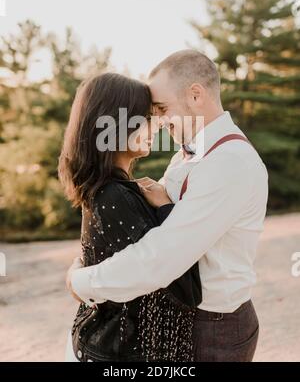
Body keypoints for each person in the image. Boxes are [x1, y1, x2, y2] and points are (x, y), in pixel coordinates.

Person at [67, 50, 269, 362]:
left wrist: (81, 280)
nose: (158, 122)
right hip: (195, 321)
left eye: (162, 109)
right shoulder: (189, 154)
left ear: (196, 95)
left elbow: (159, 259)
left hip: (214, 328)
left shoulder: (229, 163)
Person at [60, 72, 202, 362]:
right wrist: (165, 209)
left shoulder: (109, 188)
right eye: (147, 117)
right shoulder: (114, 196)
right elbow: (185, 289)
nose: (157, 124)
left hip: (106, 345)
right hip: (119, 355)